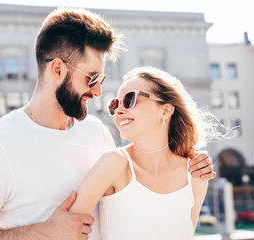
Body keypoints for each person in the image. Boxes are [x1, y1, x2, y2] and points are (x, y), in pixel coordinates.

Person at [0, 8, 215, 240]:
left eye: (101, 80)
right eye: (92, 78)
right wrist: (40, 232)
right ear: (58, 69)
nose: (98, 92)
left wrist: (188, 158)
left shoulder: (96, 131)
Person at [69, 66, 222, 239]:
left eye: (130, 99)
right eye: (115, 104)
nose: (118, 111)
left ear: (165, 110)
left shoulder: (195, 175)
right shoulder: (114, 163)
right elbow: (69, 232)